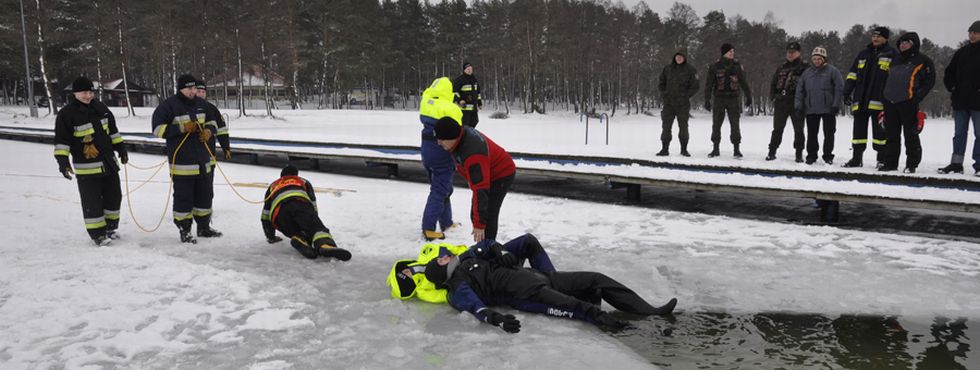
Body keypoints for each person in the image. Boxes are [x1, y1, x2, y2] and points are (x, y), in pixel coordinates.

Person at [424, 238, 678, 333]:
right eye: (440, 257)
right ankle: (633, 332)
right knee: (581, 308)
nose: (444, 254)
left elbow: (493, 243)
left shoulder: (469, 256)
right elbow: (475, 307)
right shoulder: (457, 286)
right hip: (529, 294)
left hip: (542, 276)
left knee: (596, 279)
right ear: (443, 268)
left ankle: (649, 310)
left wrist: (501, 251)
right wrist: (498, 320)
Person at [54, 76, 128, 246]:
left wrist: (121, 149)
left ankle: (110, 228)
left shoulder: (101, 108)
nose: (88, 96)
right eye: (83, 93)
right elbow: (62, 142)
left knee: (114, 197)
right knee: (92, 202)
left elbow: (113, 132)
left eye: (90, 92)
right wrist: (63, 163)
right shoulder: (67, 114)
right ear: (75, 94)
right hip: (87, 168)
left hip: (108, 164)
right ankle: (98, 234)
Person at [151, 74, 223, 243]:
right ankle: (185, 230)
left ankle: (204, 227)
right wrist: (182, 128)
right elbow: (157, 130)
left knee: (205, 196)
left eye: (194, 88)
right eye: (189, 89)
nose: (193, 92)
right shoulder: (168, 106)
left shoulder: (202, 104)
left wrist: (209, 131)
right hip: (182, 162)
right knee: (184, 198)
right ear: (180, 88)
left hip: (203, 161)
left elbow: (213, 122)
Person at [387, 233, 555, 303]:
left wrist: (494, 250)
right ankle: (553, 284)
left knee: (528, 241)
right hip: (486, 275)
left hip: (485, 258)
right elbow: (453, 295)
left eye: (406, 270)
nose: (407, 272)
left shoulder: (429, 254)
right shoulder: (426, 290)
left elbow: (458, 250)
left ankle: (553, 279)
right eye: (406, 275)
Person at [434, 117, 515, 243]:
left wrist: (479, 225)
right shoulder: (459, 137)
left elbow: (480, 189)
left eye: (441, 139)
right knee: (477, 214)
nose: (438, 143)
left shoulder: (473, 154)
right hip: (488, 170)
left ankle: (487, 250)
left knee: (487, 216)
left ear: (451, 137)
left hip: (501, 174)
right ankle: (482, 246)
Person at [262, 165, 351, 261]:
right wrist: (313, 221)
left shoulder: (273, 186)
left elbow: (265, 215)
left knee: (293, 229)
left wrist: (270, 236)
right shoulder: (303, 181)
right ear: (296, 174)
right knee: (317, 229)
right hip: (301, 205)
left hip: (279, 215)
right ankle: (325, 245)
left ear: (281, 175)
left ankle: (300, 238)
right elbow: (313, 204)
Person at [842, 27, 898, 168]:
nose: (875, 39)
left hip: (880, 102)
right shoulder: (863, 54)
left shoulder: (892, 54)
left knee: (880, 133)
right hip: (860, 100)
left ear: (886, 38)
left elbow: (895, 78)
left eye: (878, 36)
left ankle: (882, 159)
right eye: (873, 36)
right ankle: (856, 159)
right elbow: (852, 74)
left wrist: (891, 98)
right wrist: (847, 91)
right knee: (858, 133)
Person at [880, 32, 935, 173]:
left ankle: (911, 164)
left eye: (907, 42)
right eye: (901, 42)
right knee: (891, 135)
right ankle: (890, 163)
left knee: (910, 135)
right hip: (890, 102)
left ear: (914, 44)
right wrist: (884, 97)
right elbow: (885, 80)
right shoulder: (895, 60)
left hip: (908, 102)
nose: (903, 45)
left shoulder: (923, 60)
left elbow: (929, 81)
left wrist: (918, 97)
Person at [419, 77, 463, 241]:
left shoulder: (426, 102)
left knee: (443, 188)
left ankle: (446, 222)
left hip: (427, 151)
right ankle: (428, 228)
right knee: (439, 191)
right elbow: (458, 131)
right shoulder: (451, 108)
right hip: (442, 153)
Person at [938, 21, 980, 176]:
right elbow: (949, 73)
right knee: (959, 134)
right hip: (961, 101)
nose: (971, 35)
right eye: (970, 32)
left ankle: (979, 165)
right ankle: (956, 164)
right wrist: (953, 88)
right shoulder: (962, 52)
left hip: (978, 102)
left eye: (975, 32)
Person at [795, 46, 844, 165]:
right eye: (814, 58)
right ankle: (811, 155)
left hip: (828, 109)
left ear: (824, 59)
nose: (816, 61)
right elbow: (799, 90)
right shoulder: (807, 73)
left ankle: (828, 156)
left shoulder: (833, 71)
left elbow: (839, 88)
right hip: (811, 109)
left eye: (819, 59)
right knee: (812, 134)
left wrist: (836, 105)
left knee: (829, 133)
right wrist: (799, 105)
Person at [705, 43, 752, 158]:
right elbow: (709, 84)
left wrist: (748, 95)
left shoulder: (737, 66)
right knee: (716, 125)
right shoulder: (715, 66)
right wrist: (707, 99)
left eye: (733, 51)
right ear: (724, 53)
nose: (732, 53)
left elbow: (743, 82)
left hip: (733, 99)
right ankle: (715, 149)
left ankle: (736, 149)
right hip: (719, 99)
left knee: (735, 125)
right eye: (730, 51)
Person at [767, 42, 809, 162]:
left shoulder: (805, 68)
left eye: (793, 52)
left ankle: (799, 154)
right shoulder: (781, 67)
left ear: (798, 53)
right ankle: (772, 152)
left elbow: (809, 86)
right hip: (781, 102)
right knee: (777, 129)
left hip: (796, 103)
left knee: (799, 130)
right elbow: (773, 83)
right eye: (789, 52)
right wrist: (773, 96)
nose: (790, 54)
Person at [657, 49, 700, 157]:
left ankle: (684, 149)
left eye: (681, 56)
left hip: (683, 104)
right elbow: (661, 83)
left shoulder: (690, 70)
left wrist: (685, 96)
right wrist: (664, 94)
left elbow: (695, 86)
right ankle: (664, 149)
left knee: (683, 127)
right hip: (669, 104)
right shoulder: (667, 69)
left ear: (684, 57)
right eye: (677, 56)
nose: (678, 58)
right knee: (666, 127)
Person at [194, 80, 232, 161]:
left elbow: (222, 131)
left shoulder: (212, 109)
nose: (201, 94)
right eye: (198, 91)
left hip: (209, 154)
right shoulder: (185, 108)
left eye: (203, 92)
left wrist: (226, 148)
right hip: (191, 154)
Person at [453, 62, 482, 128]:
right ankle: (464, 137)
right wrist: (459, 100)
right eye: (468, 69)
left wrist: (479, 103)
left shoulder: (474, 79)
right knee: (465, 125)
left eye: (471, 69)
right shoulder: (460, 79)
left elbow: (478, 92)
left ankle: (469, 136)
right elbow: (455, 92)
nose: (470, 70)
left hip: (473, 107)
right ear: (464, 70)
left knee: (475, 122)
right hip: (464, 107)